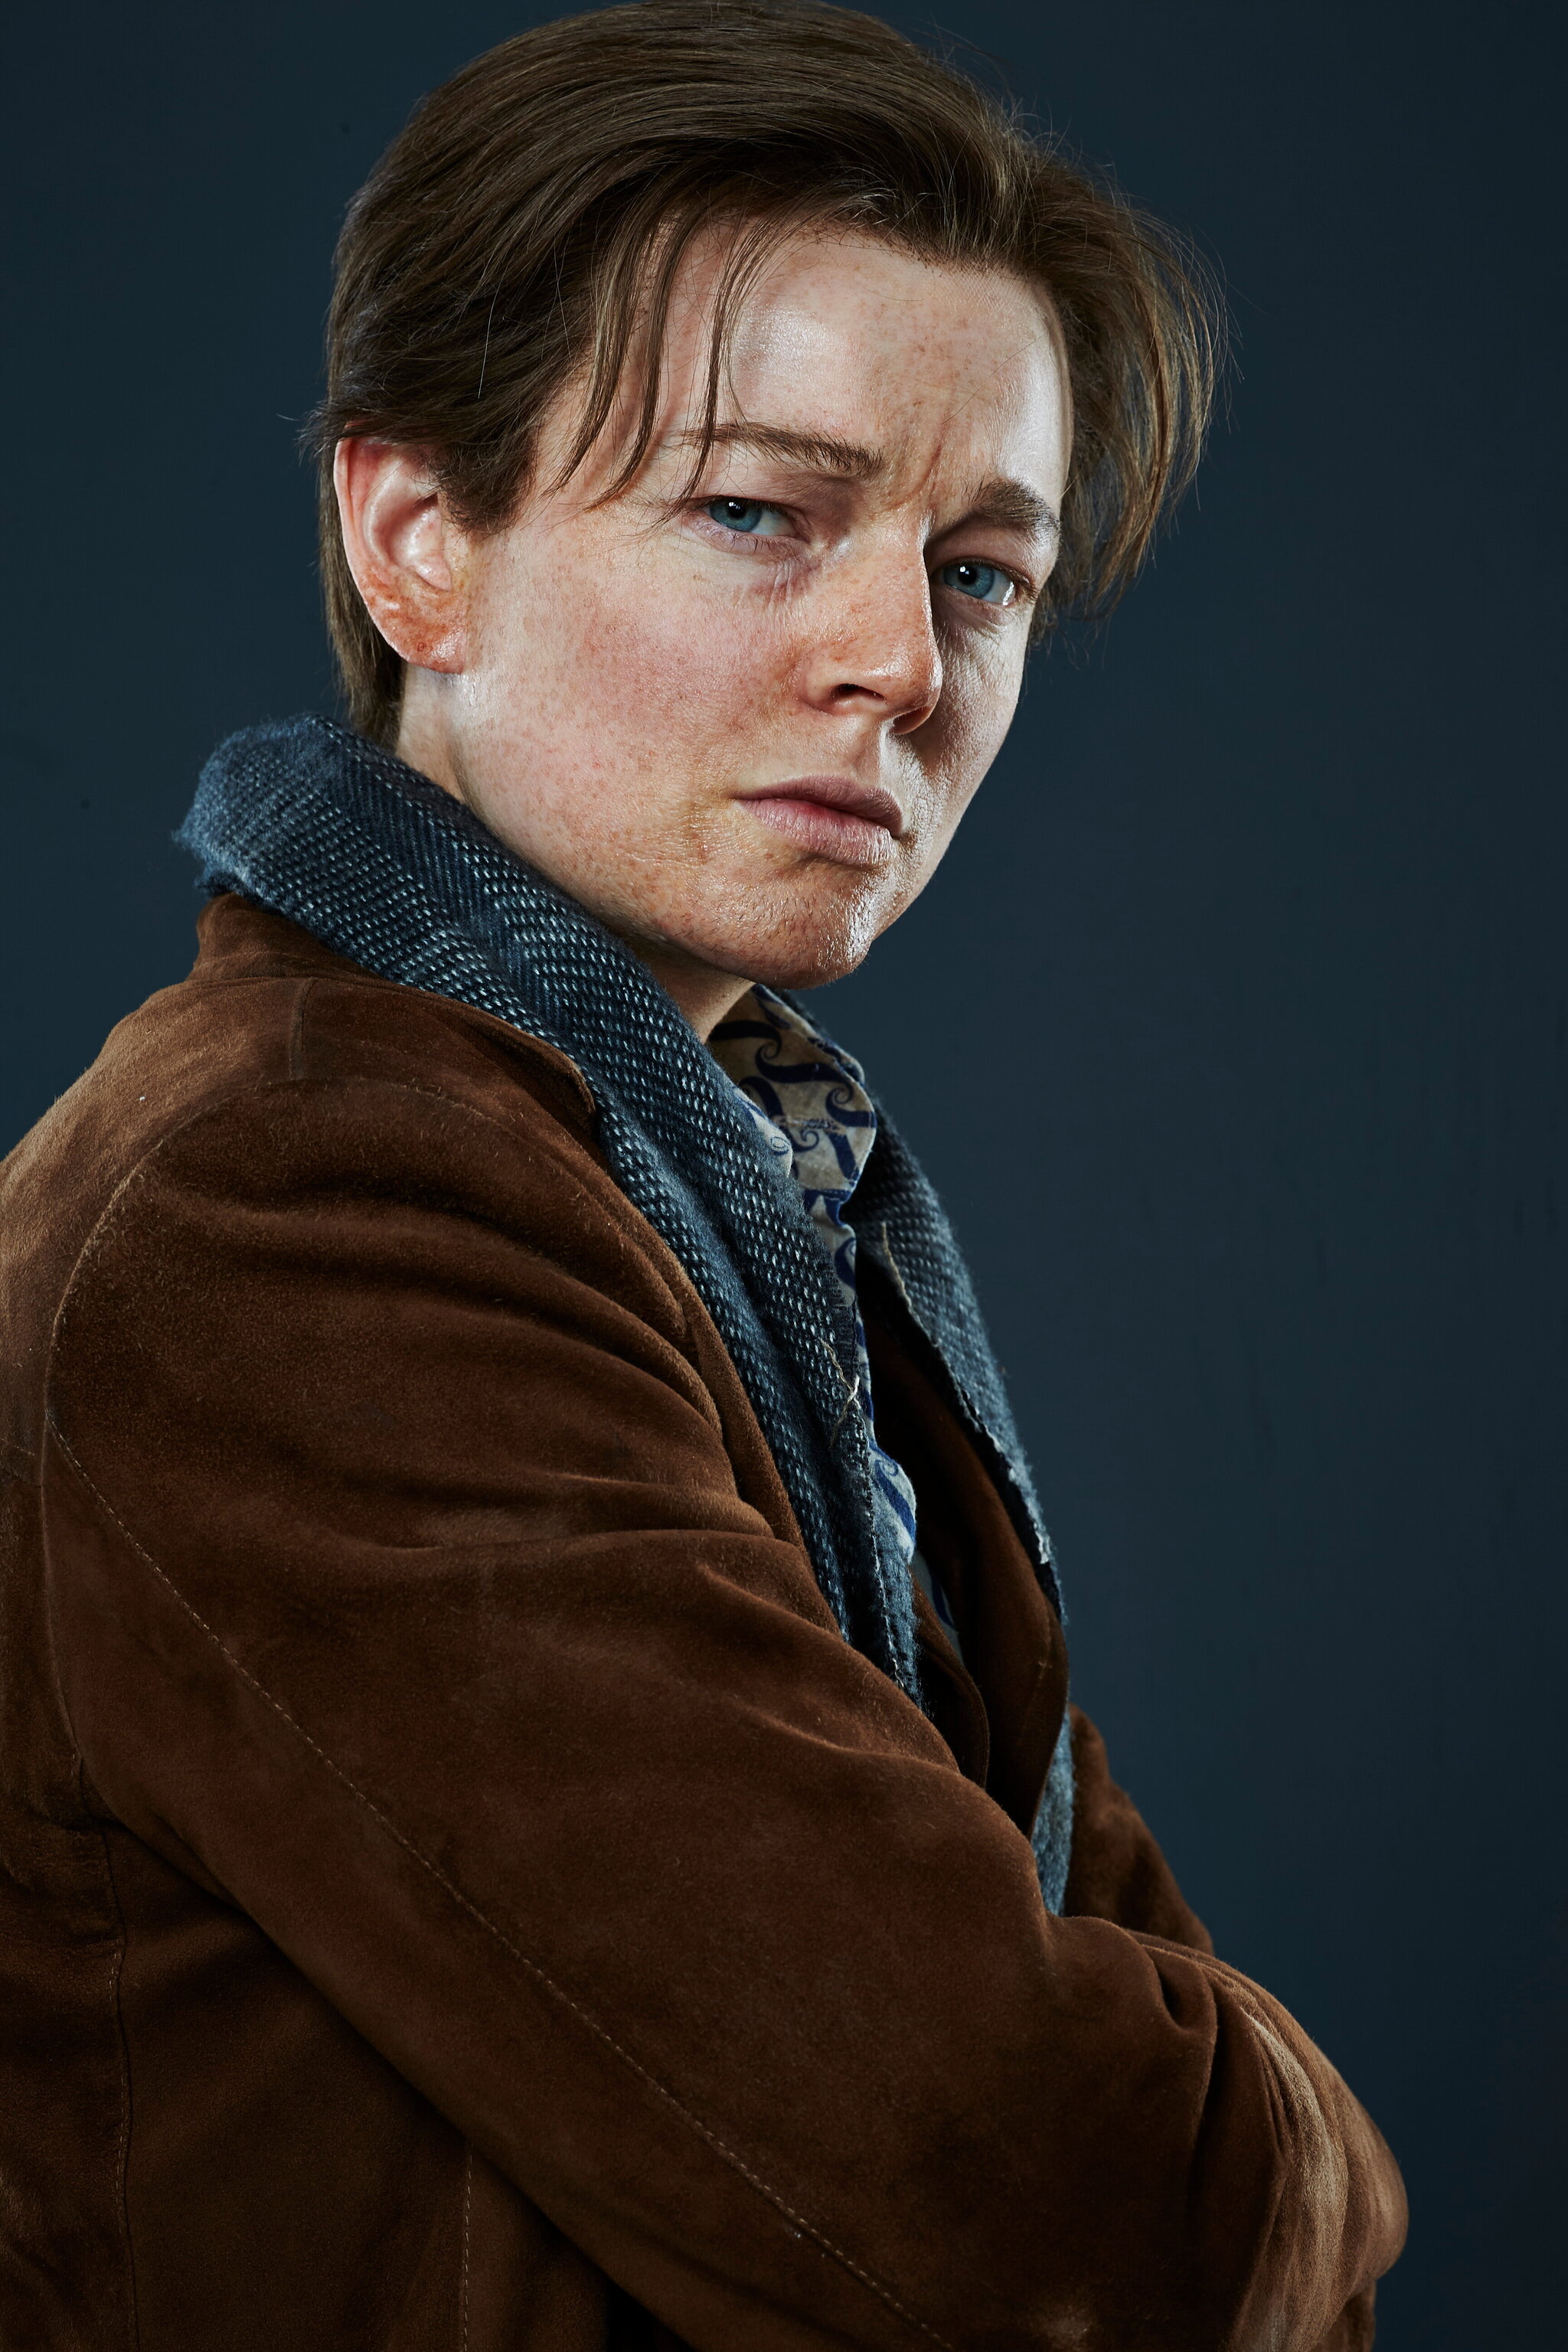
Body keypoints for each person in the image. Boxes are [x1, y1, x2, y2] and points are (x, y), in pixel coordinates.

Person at [0, 3, 1406, 2344]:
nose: (899, 662)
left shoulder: (737, 1188)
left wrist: (1196, 2135)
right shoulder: (296, 1213)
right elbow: (1042, 2214)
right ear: (418, 543)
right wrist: (1313, 2146)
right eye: (761, 513)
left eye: (985, 571)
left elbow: (1089, 2082)